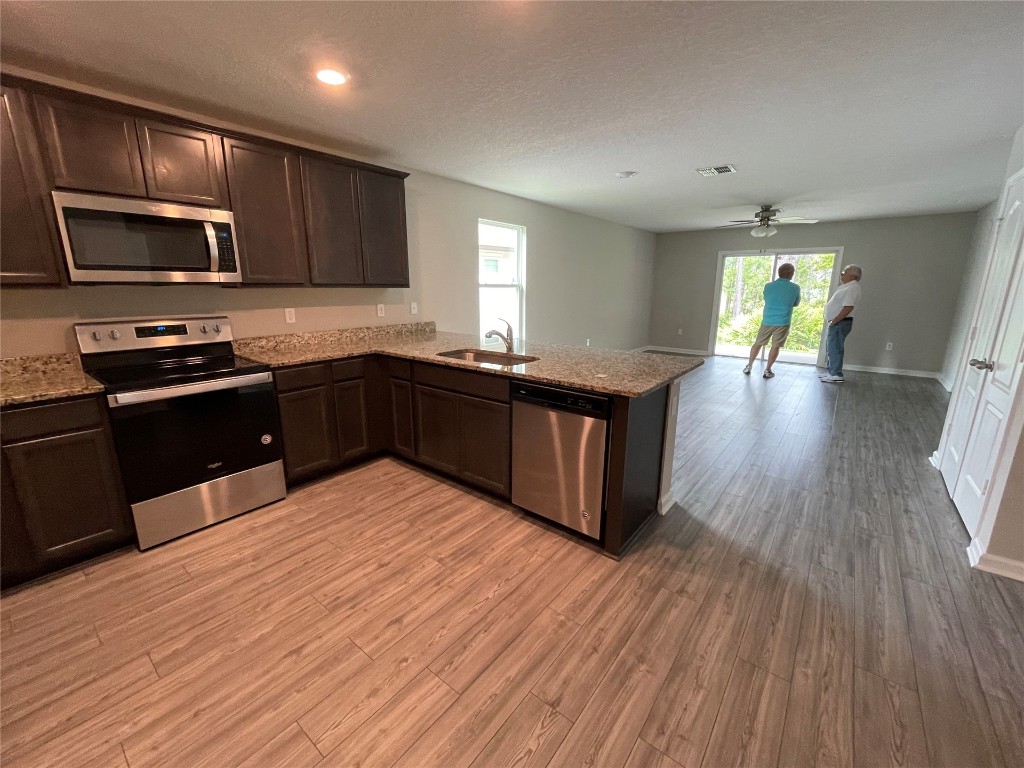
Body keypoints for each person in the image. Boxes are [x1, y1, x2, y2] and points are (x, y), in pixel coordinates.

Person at [743, 262, 801, 379]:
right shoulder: (795, 287)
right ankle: (768, 370)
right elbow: (796, 303)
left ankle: (749, 366)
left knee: (758, 343)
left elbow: (767, 299)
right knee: (775, 346)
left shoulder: (768, 286)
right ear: (790, 274)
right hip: (783, 321)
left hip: (767, 319)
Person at [820, 264, 863, 383]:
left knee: (835, 348)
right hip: (838, 323)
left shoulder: (852, 288)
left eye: (844, 272)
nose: (842, 274)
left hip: (840, 323)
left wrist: (835, 321)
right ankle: (831, 372)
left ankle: (836, 374)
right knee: (831, 348)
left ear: (853, 276)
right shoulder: (847, 287)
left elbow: (848, 307)